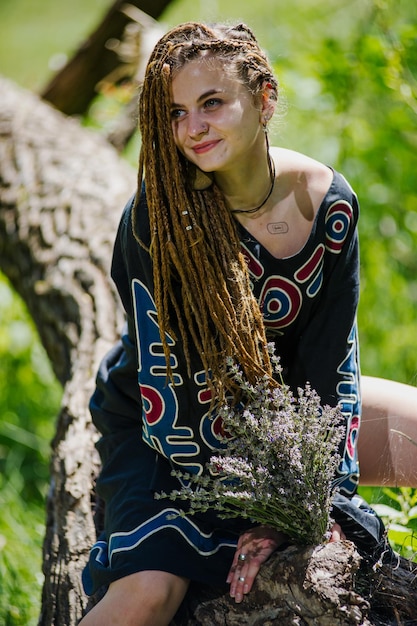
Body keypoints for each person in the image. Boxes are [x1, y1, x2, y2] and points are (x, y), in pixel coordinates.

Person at [80, 21, 395, 626]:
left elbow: (332, 362)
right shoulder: (159, 221)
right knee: (149, 593)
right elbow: (174, 394)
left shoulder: (328, 204)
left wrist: (315, 495)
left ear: (265, 98)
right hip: (165, 426)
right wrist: (275, 502)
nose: (192, 128)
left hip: (287, 413)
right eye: (175, 112)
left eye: (212, 103)